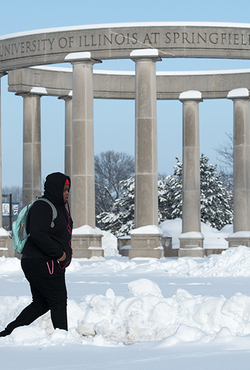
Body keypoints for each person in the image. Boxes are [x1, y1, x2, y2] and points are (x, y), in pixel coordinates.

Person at [0, 172, 73, 337]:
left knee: (41, 303)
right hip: (43, 262)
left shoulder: (60, 208)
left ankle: (8, 333)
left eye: (68, 189)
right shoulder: (43, 206)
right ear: (55, 189)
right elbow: (38, 234)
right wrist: (60, 254)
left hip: (43, 262)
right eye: (64, 189)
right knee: (58, 301)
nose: (67, 193)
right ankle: (63, 339)